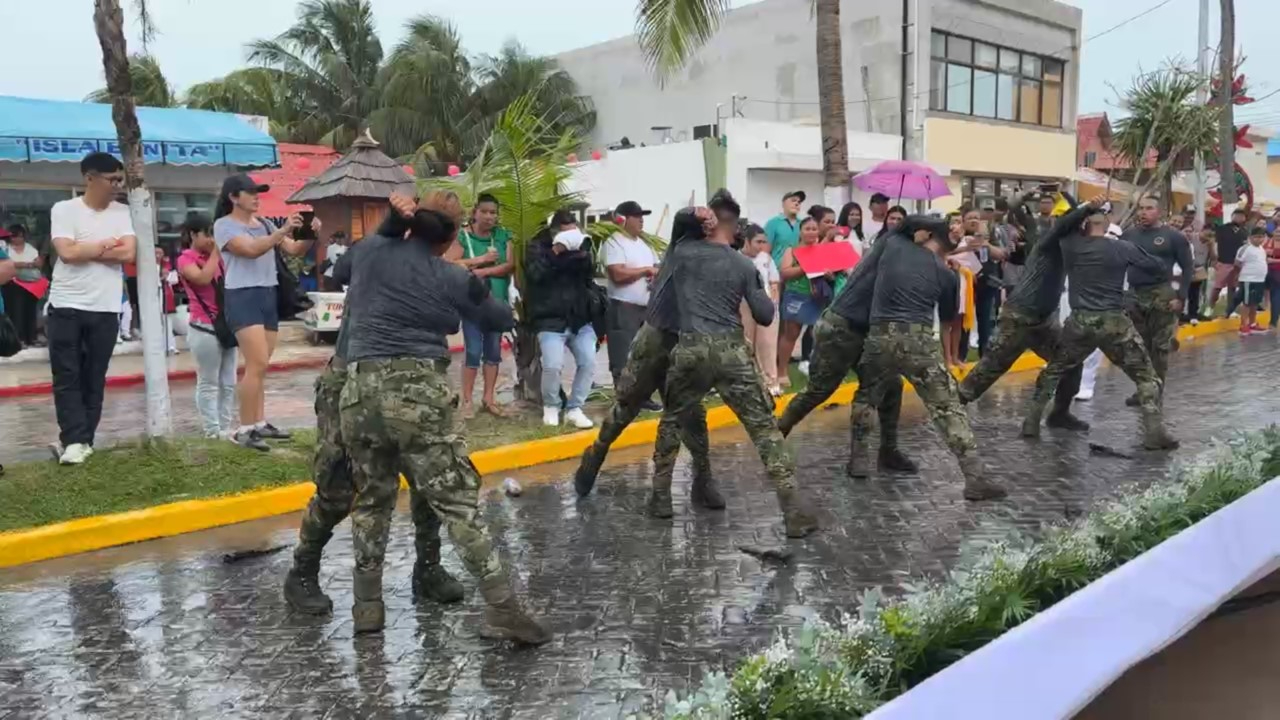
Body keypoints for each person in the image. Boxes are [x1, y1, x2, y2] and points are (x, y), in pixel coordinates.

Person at [337, 190, 547, 642]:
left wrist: (388, 228)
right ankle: (502, 609)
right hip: (417, 395)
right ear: (452, 235)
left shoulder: (372, 251)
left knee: (372, 499)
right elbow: (496, 319)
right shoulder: (448, 274)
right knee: (455, 501)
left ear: (410, 223)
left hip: (358, 393)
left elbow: (340, 269)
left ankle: (367, 609)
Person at [284, 193, 465, 618]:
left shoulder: (436, 269)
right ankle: (302, 570)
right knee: (337, 487)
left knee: (428, 481)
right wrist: (387, 225)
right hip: (350, 381)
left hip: (412, 384)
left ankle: (429, 569)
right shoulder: (377, 252)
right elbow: (341, 269)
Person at [652, 191, 820, 537]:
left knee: (671, 421)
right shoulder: (743, 264)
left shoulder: (681, 254)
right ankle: (792, 511)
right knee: (764, 430)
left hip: (690, 348)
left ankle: (660, 498)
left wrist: (690, 216)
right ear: (736, 227)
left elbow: (676, 233)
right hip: (731, 352)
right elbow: (764, 313)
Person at [849, 216, 1006, 501]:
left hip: (880, 335)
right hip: (918, 340)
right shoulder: (946, 275)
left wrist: (932, 224)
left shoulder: (895, 245)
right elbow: (946, 314)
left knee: (867, 396)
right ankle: (974, 477)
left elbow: (905, 223)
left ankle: (859, 460)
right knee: (947, 407)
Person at [573, 206, 717, 503]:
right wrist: (692, 214)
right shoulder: (679, 251)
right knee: (625, 408)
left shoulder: (713, 258)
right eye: (707, 225)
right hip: (653, 341)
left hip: (684, 345)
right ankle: (597, 453)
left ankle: (700, 480)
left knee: (691, 415)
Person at [1020, 202, 1179, 450]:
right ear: (1106, 225)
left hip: (1080, 320)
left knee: (1054, 371)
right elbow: (1155, 266)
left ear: (1083, 225)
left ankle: (1031, 422)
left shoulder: (1071, 246)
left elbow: (1059, 230)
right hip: (1113, 321)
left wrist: (1080, 211)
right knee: (1147, 377)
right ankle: (1154, 432)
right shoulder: (1121, 247)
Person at [778, 221, 916, 478]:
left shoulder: (893, 262)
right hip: (841, 329)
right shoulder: (887, 266)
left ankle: (884, 451)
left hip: (865, 330)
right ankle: (774, 440)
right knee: (819, 390)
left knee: (889, 384)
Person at [959, 199, 1098, 431]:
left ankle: (1059, 414)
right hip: (1019, 318)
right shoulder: (1049, 241)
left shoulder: (1070, 248)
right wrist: (1088, 207)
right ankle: (950, 409)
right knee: (989, 369)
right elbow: (1063, 223)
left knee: (1071, 362)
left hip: (1043, 322)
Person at [45, 152, 137, 465]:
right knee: (67, 375)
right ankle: (73, 441)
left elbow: (128, 253)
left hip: (106, 307)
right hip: (66, 304)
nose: (116, 185)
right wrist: (104, 245)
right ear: (89, 178)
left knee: (94, 376)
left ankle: (84, 440)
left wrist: (86, 249)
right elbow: (66, 253)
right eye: (111, 180)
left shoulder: (122, 212)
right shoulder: (64, 209)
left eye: (119, 179)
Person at [214, 174, 316, 451]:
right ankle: (245, 428)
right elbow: (250, 250)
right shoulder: (224, 226)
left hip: (268, 293)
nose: (257, 196)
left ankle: (259, 422)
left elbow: (294, 250)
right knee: (256, 363)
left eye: (258, 192)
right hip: (242, 295)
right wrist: (282, 232)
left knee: (261, 366)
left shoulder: (266, 224)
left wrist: (309, 231)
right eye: (251, 192)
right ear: (234, 197)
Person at [524, 210, 598, 429]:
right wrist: (556, 252)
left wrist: (582, 253)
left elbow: (590, 272)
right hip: (549, 318)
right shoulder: (537, 247)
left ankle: (575, 408)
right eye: (566, 232)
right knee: (553, 365)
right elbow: (535, 275)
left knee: (588, 362)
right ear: (554, 231)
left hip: (579, 318)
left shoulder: (582, 245)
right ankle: (551, 405)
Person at [1122, 196, 1192, 404]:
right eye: (1141, 208)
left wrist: (1181, 297)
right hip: (1134, 296)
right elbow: (1117, 264)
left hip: (1162, 296)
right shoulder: (1128, 235)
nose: (1143, 212)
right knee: (1138, 347)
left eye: (1149, 208)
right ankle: (1142, 388)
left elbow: (1187, 268)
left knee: (1160, 348)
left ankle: (1156, 392)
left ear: (1159, 212)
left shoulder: (1173, 237)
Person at [451, 193, 514, 418]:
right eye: (484, 211)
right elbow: (450, 262)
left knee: (493, 352)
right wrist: (479, 260)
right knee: (473, 351)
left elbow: (509, 266)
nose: (489, 216)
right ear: (475, 212)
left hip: (497, 305)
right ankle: (467, 400)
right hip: (472, 306)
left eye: (493, 213)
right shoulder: (463, 237)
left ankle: (489, 398)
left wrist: (480, 271)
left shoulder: (503, 236)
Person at [177, 215, 236, 438]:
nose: (212, 239)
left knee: (228, 383)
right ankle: (212, 430)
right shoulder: (186, 259)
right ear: (193, 235)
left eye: (214, 234)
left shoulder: (218, 258)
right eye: (207, 234)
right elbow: (202, 278)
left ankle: (225, 427)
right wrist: (216, 252)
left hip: (227, 324)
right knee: (209, 382)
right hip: (204, 326)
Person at [603, 200, 661, 411]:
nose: (641, 221)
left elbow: (656, 268)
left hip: (646, 307)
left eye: (642, 217)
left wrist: (654, 275)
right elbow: (617, 274)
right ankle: (623, 398)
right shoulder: (614, 243)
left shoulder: (645, 245)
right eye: (637, 217)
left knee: (646, 354)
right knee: (622, 353)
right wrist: (645, 271)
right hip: (623, 306)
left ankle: (642, 396)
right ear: (622, 219)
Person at [776, 216, 822, 386]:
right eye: (807, 229)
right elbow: (785, 273)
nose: (811, 232)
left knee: (817, 335)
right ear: (800, 232)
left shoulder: (821, 249)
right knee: (791, 334)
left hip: (817, 297)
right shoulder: (792, 250)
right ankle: (781, 371)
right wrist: (805, 266)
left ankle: (815, 369)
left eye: (814, 229)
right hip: (796, 295)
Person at [740, 223, 782, 395]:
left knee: (768, 344)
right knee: (746, 344)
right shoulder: (736, 258)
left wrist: (773, 301)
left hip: (765, 303)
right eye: (758, 241)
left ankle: (771, 382)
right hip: (743, 304)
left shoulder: (766, 258)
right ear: (747, 241)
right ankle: (749, 383)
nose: (761, 246)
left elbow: (774, 282)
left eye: (764, 242)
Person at [0, 224, 42, 347]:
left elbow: (38, 263)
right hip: (12, 285)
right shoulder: (6, 248)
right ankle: (18, 338)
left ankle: (31, 337)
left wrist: (22, 265)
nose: (16, 239)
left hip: (31, 285)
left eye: (19, 236)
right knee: (15, 311)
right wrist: (26, 264)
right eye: (13, 236)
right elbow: (9, 265)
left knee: (30, 311)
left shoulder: (30, 249)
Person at [1212, 208, 1248, 318]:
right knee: (1217, 287)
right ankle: (1208, 309)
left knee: (1232, 288)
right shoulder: (1222, 229)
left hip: (1237, 264)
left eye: (1241, 216)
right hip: (1223, 262)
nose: (1239, 218)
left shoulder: (1244, 232)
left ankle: (1230, 310)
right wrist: (1214, 259)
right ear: (1232, 216)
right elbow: (1215, 243)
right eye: (1237, 215)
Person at [1235, 227, 1268, 336]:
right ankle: (1243, 325)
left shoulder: (1261, 249)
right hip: (1249, 279)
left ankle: (1252, 324)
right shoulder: (1245, 248)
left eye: (1262, 237)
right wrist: (1238, 276)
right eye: (1257, 237)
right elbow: (1237, 263)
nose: (1260, 239)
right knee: (1247, 303)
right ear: (1251, 237)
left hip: (1260, 280)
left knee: (1255, 302)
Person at [764, 190, 805, 269]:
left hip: (798, 271)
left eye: (799, 202)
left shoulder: (803, 224)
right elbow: (765, 251)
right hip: (777, 270)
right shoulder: (773, 223)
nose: (796, 203)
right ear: (783, 204)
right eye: (793, 200)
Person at [1184, 225, 1214, 324]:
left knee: (1195, 293)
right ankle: (1183, 313)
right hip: (1188, 267)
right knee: (1184, 292)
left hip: (1200, 268)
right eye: (1206, 234)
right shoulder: (1192, 238)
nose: (1207, 237)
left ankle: (1193, 313)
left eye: (1210, 235)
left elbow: (1213, 258)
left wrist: (1211, 246)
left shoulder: (1209, 243)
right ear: (1202, 231)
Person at [1265, 228, 1280, 330]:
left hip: (1277, 273)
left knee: (1276, 296)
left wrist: (1273, 260)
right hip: (1266, 272)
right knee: (1272, 296)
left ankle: (1273, 321)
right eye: (1277, 231)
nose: (1278, 234)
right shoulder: (1267, 242)